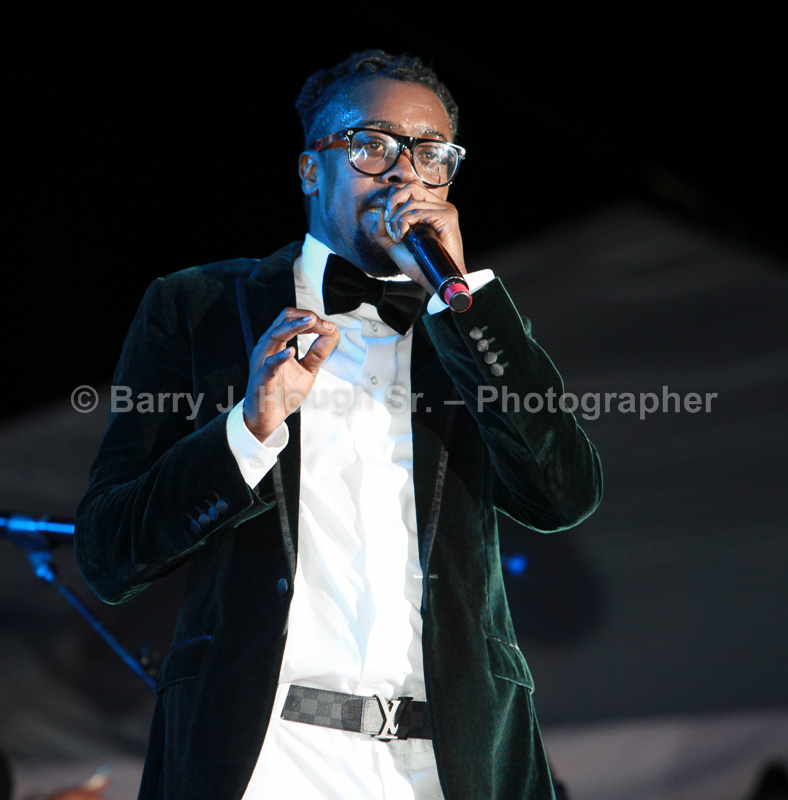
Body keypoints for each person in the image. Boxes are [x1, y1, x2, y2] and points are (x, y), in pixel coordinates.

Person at [75, 50, 602, 799]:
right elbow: (109, 552)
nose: (403, 173)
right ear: (310, 170)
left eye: (430, 154)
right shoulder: (199, 307)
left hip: (450, 764)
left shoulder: (472, 329)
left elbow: (562, 494)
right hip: (268, 757)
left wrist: (464, 305)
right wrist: (248, 430)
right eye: (371, 144)